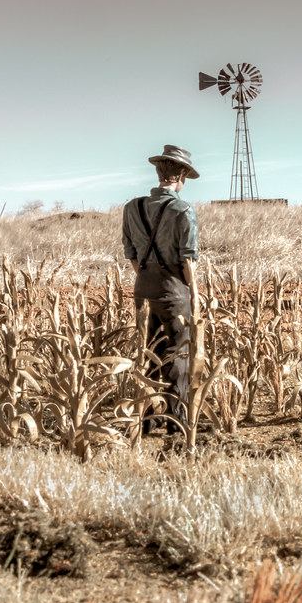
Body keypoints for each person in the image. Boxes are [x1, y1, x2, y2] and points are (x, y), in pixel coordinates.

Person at [121, 144, 200, 430]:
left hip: (142, 288)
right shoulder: (183, 210)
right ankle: (176, 419)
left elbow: (131, 254)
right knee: (178, 353)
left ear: (158, 172)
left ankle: (149, 417)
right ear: (180, 175)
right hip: (174, 291)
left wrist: (147, 277)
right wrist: (195, 295)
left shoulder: (132, 207)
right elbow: (187, 261)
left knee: (148, 350)